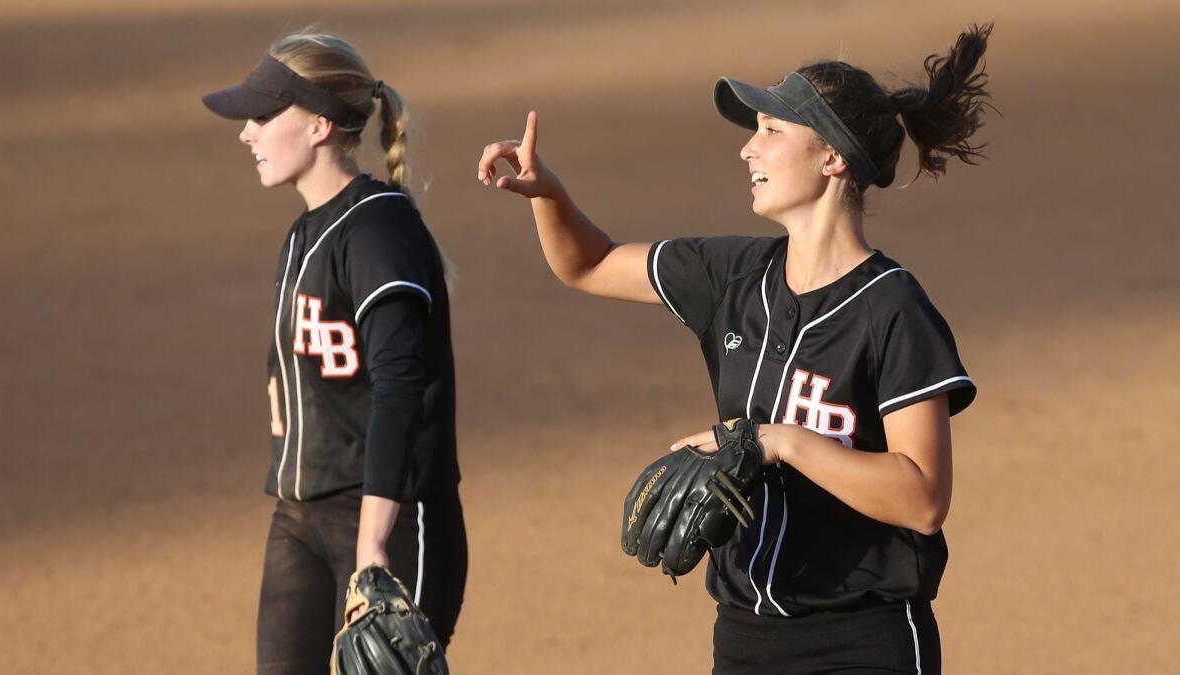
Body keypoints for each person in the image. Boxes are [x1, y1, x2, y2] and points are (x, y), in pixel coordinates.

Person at [478, 24, 992, 675]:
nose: (749, 150)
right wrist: (550, 195)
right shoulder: (730, 276)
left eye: (773, 131)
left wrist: (778, 441)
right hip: (746, 639)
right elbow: (591, 263)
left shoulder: (892, 310)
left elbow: (922, 498)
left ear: (834, 157)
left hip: (865, 641)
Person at [202, 30, 466, 675]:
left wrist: (371, 550)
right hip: (299, 513)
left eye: (263, 116)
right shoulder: (303, 234)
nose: (247, 132)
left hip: (388, 521)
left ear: (319, 124)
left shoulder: (380, 229)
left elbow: (400, 388)